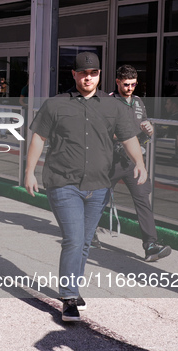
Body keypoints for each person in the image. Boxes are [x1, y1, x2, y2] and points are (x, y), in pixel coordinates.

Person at [25, 52, 147, 322]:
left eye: (93, 73)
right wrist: (29, 171)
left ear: (99, 75)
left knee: (84, 242)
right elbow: (38, 137)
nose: (88, 77)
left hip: (99, 184)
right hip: (62, 182)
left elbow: (128, 137)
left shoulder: (113, 106)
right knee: (74, 238)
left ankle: (73, 288)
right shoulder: (55, 104)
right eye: (83, 73)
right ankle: (68, 297)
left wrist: (139, 162)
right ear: (74, 75)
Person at [92, 65, 171, 261]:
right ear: (118, 81)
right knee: (97, 199)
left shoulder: (138, 101)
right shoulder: (107, 102)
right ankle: (87, 233)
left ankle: (151, 245)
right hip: (110, 160)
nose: (130, 88)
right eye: (126, 84)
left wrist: (149, 129)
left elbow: (142, 123)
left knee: (143, 200)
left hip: (133, 162)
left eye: (133, 84)